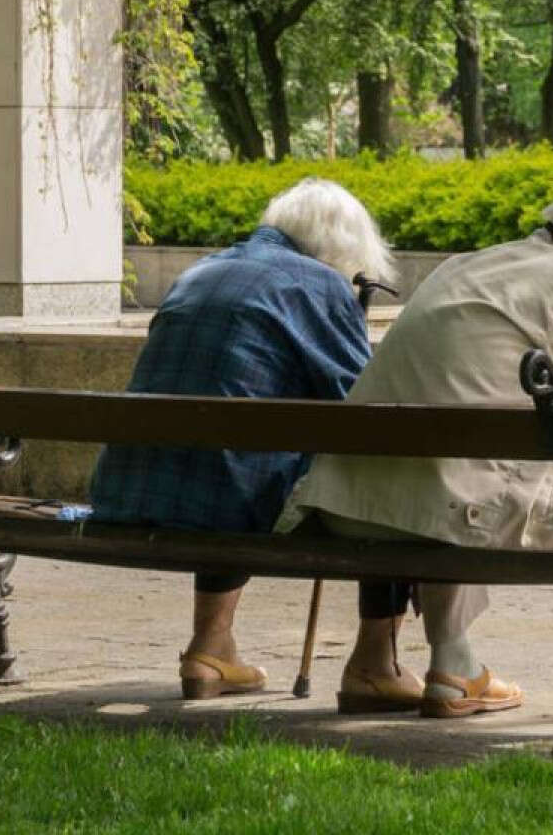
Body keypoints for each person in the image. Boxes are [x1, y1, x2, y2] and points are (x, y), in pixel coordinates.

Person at [278, 192, 553, 738]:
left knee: (466, 474)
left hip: (353, 505)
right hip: (452, 510)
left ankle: (454, 667)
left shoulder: (463, 266)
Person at [90, 178, 424, 710]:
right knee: (389, 481)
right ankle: (375, 666)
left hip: (133, 491)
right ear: (344, 248)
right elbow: (361, 414)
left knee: (228, 458)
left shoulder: (202, 270)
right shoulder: (320, 285)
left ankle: (210, 648)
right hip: (228, 497)